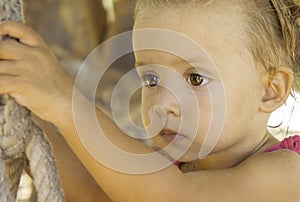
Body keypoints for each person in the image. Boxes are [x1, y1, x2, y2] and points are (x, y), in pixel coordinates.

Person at [0, 0, 300, 201]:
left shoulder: (286, 174)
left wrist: (64, 102)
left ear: (270, 90)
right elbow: (97, 193)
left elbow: (173, 197)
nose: (162, 102)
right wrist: (30, 116)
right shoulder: (173, 167)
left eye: (195, 79)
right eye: (152, 80)